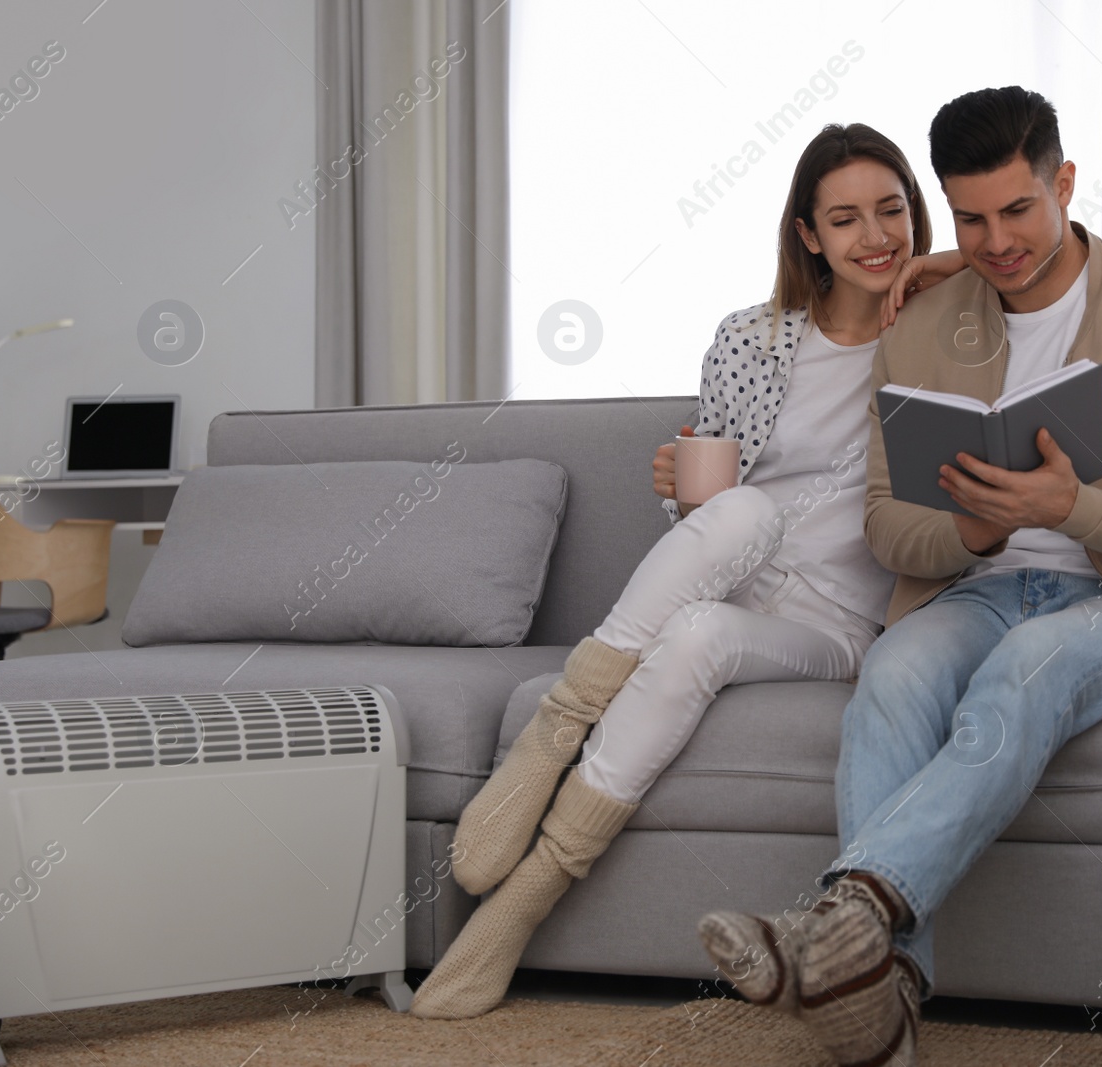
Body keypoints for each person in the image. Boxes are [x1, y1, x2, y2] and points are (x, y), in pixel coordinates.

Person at [698, 86, 1102, 1067]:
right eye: (970, 219)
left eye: (1018, 210)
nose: (996, 241)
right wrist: (976, 530)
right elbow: (883, 525)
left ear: (1064, 184)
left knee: (1027, 668)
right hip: (975, 588)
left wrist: (1066, 507)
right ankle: (877, 991)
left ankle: (838, 918)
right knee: (896, 673)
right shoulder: (923, 319)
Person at [409, 123, 966, 1020]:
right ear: (807, 234)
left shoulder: (946, 340)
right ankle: (549, 757)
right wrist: (681, 489)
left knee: (704, 618)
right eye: (847, 217)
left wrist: (943, 281)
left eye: (892, 210)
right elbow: (711, 505)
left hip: (833, 623)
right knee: (728, 544)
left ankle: (528, 890)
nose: (876, 235)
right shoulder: (752, 337)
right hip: (738, 568)